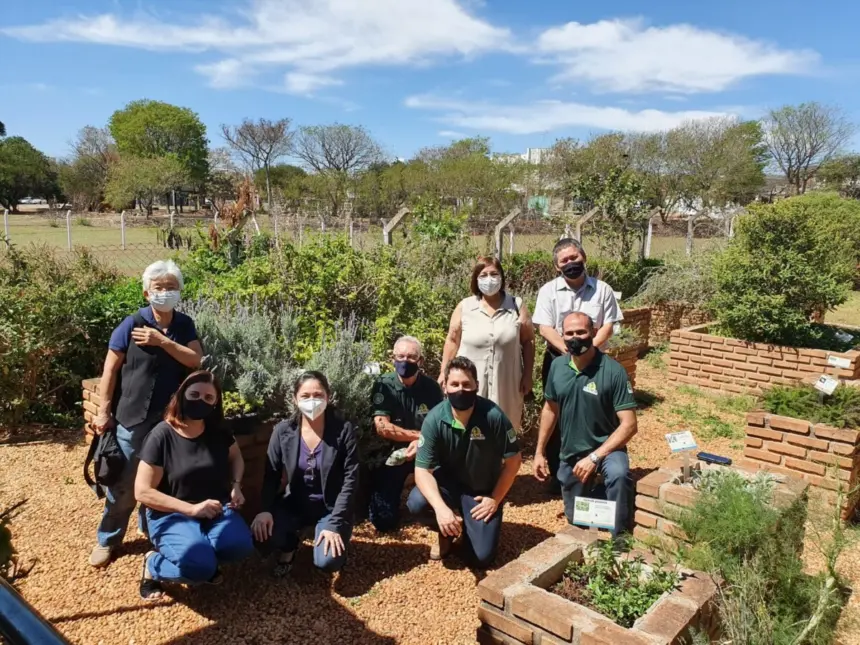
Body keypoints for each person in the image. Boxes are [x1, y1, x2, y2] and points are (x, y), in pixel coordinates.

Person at [89, 260, 203, 568]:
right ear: (146, 292)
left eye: (171, 287)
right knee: (123, 483)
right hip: (132, 416)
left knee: (160, 481)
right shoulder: (131, 324)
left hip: (168, 420)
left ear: (179, 292)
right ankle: (108, 538)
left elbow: (195, 360)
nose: (165, 293)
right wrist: (104, 412)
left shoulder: (183, 325)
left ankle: (151, 529)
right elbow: (110, 370)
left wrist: (162, 341)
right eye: (159, 288)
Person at [134, 371, 253, 600]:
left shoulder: (218, 430)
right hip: (172, 514)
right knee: (200, 568)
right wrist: (190, 509)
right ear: (181, 395)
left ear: (215, 403)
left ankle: (202, 557)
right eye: (195, 394)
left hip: (216, 509)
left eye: (209, 398)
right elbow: (142, 491)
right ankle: (154, 564)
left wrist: (237, 485)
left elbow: (236, 457)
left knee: (240, 545)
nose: (201, 401)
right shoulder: (162, 435)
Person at [408, 356, 522, 567]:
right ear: (445, 387)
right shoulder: (434, 419)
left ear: (476, 386)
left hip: (480, 492)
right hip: (448, 486)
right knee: (416, 503)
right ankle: (445, 531)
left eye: (466, 384)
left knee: (481, 558)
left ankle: (466, 530)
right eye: (455, 384)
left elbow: (514, 462)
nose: (461, 389)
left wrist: (494, 499)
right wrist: (441, 509)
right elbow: (422, 471)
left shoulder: (493, 416)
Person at [533, 312, 638, 538]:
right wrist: (539, 451)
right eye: (569, 333)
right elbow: (550, 409)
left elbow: (629, 425)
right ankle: (598, 502)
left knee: (619, 474)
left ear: (592, 333)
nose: (575, 338)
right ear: (562, 335)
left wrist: (594, 458)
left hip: (607, 448)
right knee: (576, 519)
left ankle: (620, 536)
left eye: (581, 332)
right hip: (571, 450)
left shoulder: (613, 371)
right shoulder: (558, 367)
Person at [532, 239, 622, 485]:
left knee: (598, 412)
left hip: (595, 362)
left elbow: (608, 324)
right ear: (557, 267)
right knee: (556, 413)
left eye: (574, 257)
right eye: (564, 260)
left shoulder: (602, 290)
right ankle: (557, 474)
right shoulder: (548, 291)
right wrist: (570, 351)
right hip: (558, 359)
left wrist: (587, 350)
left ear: (584, 258)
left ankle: (601, 465)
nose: (570, 263)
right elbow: (544, 327)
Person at [250, 372, 358, 576]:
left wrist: (335, 523)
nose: (312, 401)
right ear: (295, 399)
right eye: (305, 396)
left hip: (331, 508)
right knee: (261, 536)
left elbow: (350, 480)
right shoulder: (284, 431)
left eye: (318, 395)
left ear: (328, 397)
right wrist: (265, 510)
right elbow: (271, 475)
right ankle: (289, 546)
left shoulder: (343, 431)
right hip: (295, 504)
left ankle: (337, 539)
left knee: (327, 561)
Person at [439, 256, 535, 431]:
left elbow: (528, 341)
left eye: (494, 274)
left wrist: (528, 374)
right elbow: (452, 340)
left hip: (507, 381)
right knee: (467, 426)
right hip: (469, 382)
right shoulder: (465, 307)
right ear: (476, 279)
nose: (489, 279)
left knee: (504, 429)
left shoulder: (516, 305)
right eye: (483, 275)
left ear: (502, 277)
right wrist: (444, 373)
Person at [368, 336, 444, 532]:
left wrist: (422, 443)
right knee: (383, 521)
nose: (405, 361)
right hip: (393, 453)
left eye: (411, 357)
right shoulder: (384, 384)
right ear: (392, 358)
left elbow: (441, 427)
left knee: (438, 492)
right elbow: (382, 427)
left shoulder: (432, 388)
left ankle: (435, 514)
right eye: (400, 356)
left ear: (421, 361)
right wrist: (418, 437)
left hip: (427, 452)